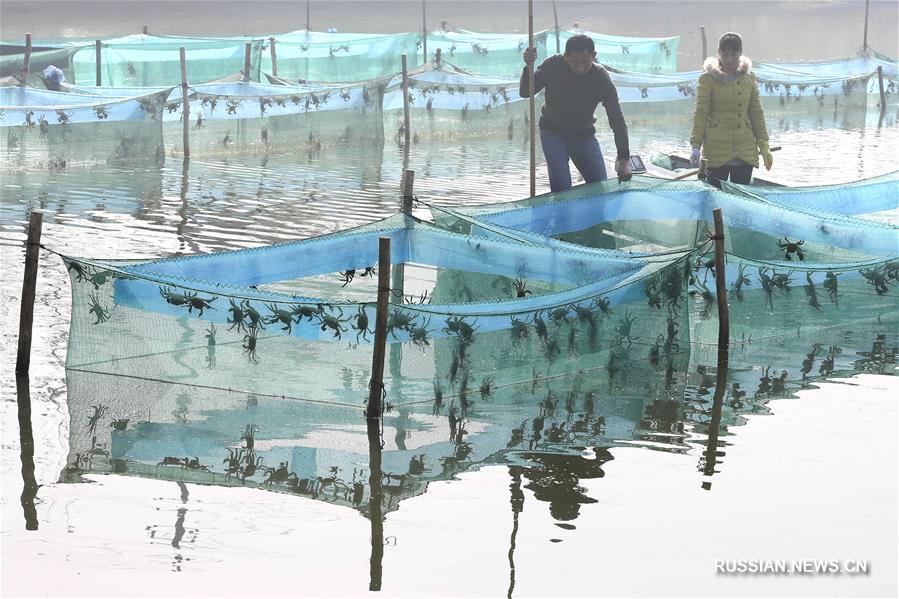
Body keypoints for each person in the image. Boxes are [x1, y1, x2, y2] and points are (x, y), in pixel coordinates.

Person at [520, 34, 631, 192]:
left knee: (599, 186)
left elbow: (617, 120)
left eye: (586, 62)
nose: (580, 68)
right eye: (575, 62)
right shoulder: (553, 65)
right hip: (553, 132)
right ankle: (562, 214)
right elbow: (526, 92)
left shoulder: (601, 78)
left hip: (583, 135)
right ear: (566, 57)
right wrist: (528, 66)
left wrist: (624, 159)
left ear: (594, 56)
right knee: (561, 187)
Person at [689, 32, 772, 188]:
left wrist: (764, 145)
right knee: (714, 199)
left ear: (740, 54)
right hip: (716, 152)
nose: (729, 59)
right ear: (718, 52)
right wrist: (695, 147)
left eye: (734, 55)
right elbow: (701, 114)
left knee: (741, 200)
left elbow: (756, 114)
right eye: (725, 54)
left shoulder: (749, 79)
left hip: (745, 152)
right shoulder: (707, 79)